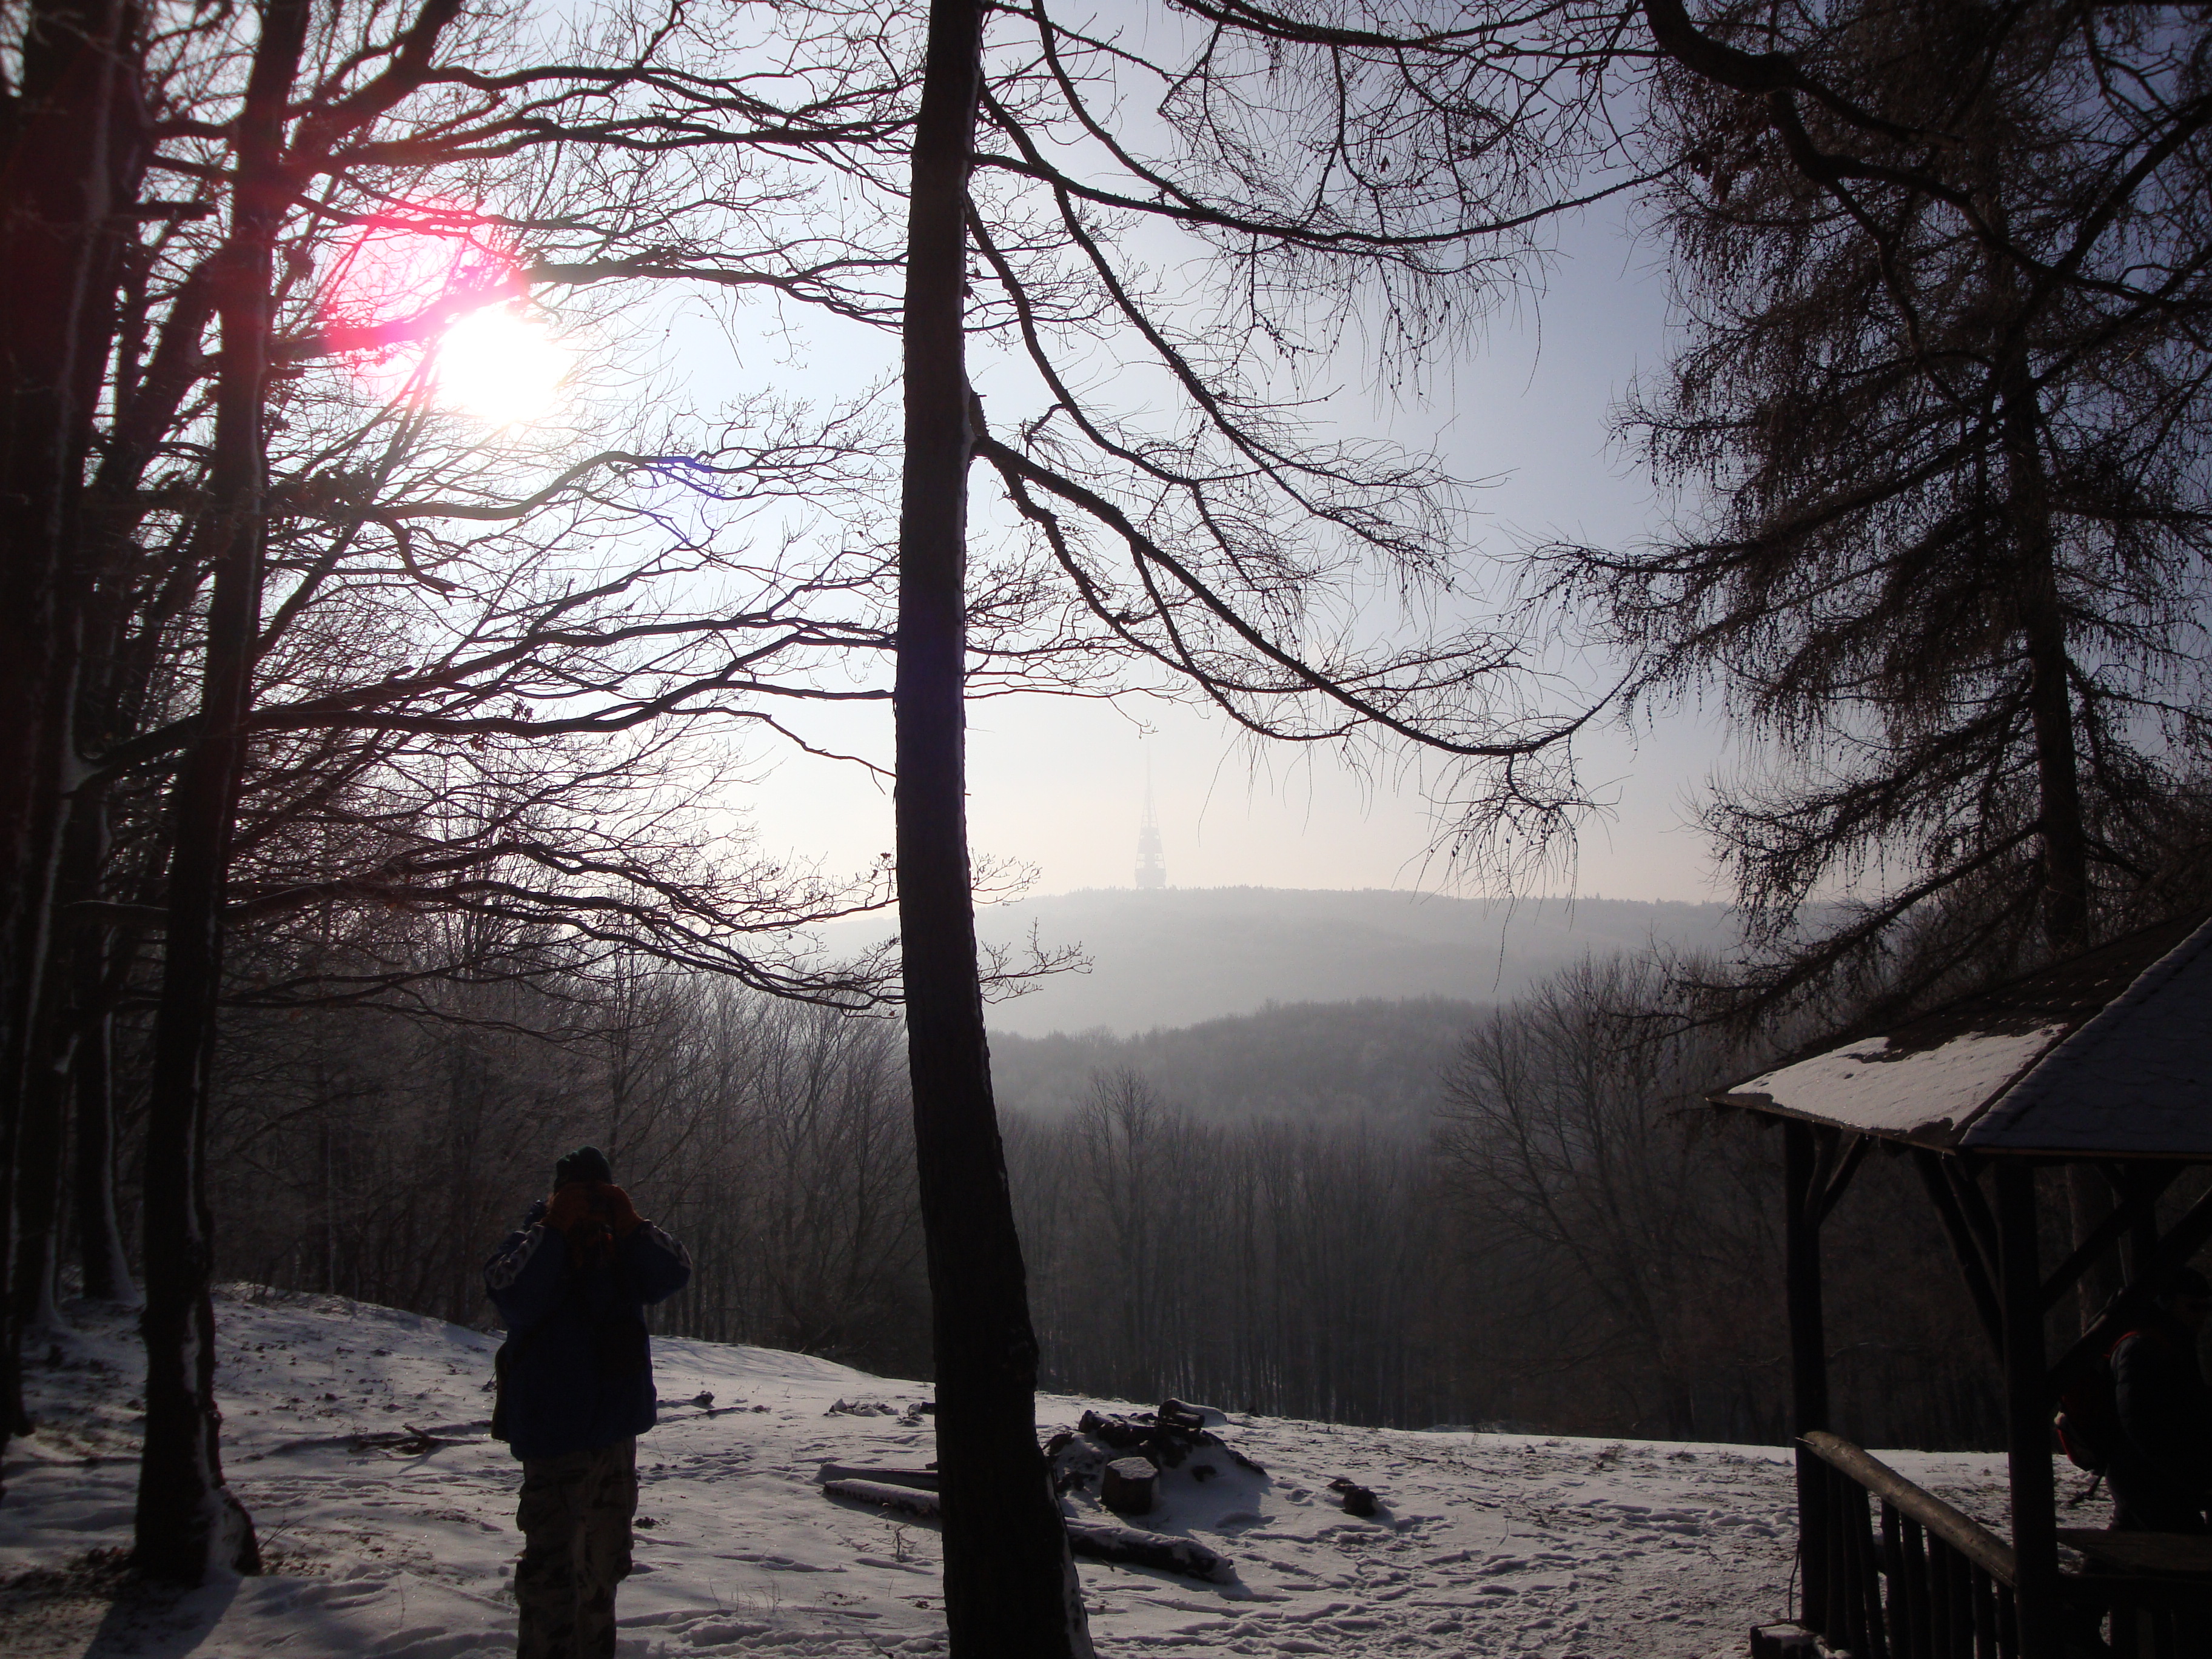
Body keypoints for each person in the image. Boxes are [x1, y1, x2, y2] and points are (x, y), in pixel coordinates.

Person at [486, 1145, 692, 1658]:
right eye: (579, 1194)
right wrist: (555, 1227)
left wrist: (632, 1223)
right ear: (557, 1196)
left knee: (603, 1572)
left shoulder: (623, 1248)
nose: (589, 1206)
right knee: (551, 1580)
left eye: (598, 1194)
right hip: (554, 1442)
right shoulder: (531, 1242)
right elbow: (512, 1296)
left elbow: (675, 1273)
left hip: (613, 1441)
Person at [2107, 1267, 2212, 1533]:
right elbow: (2140, 1423)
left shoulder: (2173, 1342)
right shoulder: (2143, 1348)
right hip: (2149, 1479)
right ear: (2166, 1303)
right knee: (2188, 1550)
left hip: (2148, 1478)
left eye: (2206, 1308)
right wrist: (2193, 1476)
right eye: (2193, 1307)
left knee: (2127, 1544)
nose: (2201, 1316)